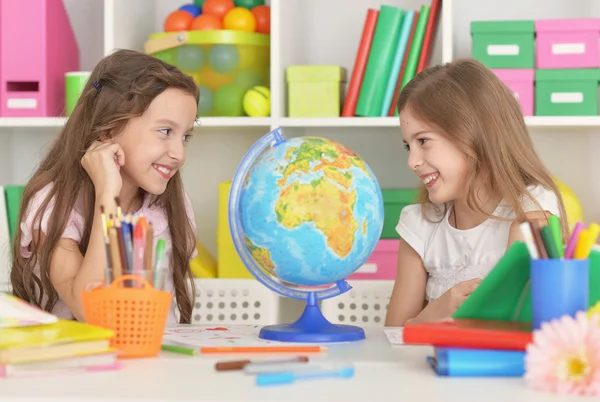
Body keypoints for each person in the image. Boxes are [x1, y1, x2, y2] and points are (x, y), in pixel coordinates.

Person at [10, 49, 199, 324]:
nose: (179, 154)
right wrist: (106, 195)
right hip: (81, 364)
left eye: (186, 136)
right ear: (108, 129)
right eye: (165, 131)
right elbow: (90, 310)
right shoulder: (54, 204)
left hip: (155, 361)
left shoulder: (170, 202)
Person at [385, 58, 568, 327]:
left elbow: (517, 320)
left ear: (472, 134)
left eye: (423, 141)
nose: (412, 161)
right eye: (408, 146)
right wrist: (432, 314)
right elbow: (393, 336)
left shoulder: (530, 206)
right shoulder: (419, 223)